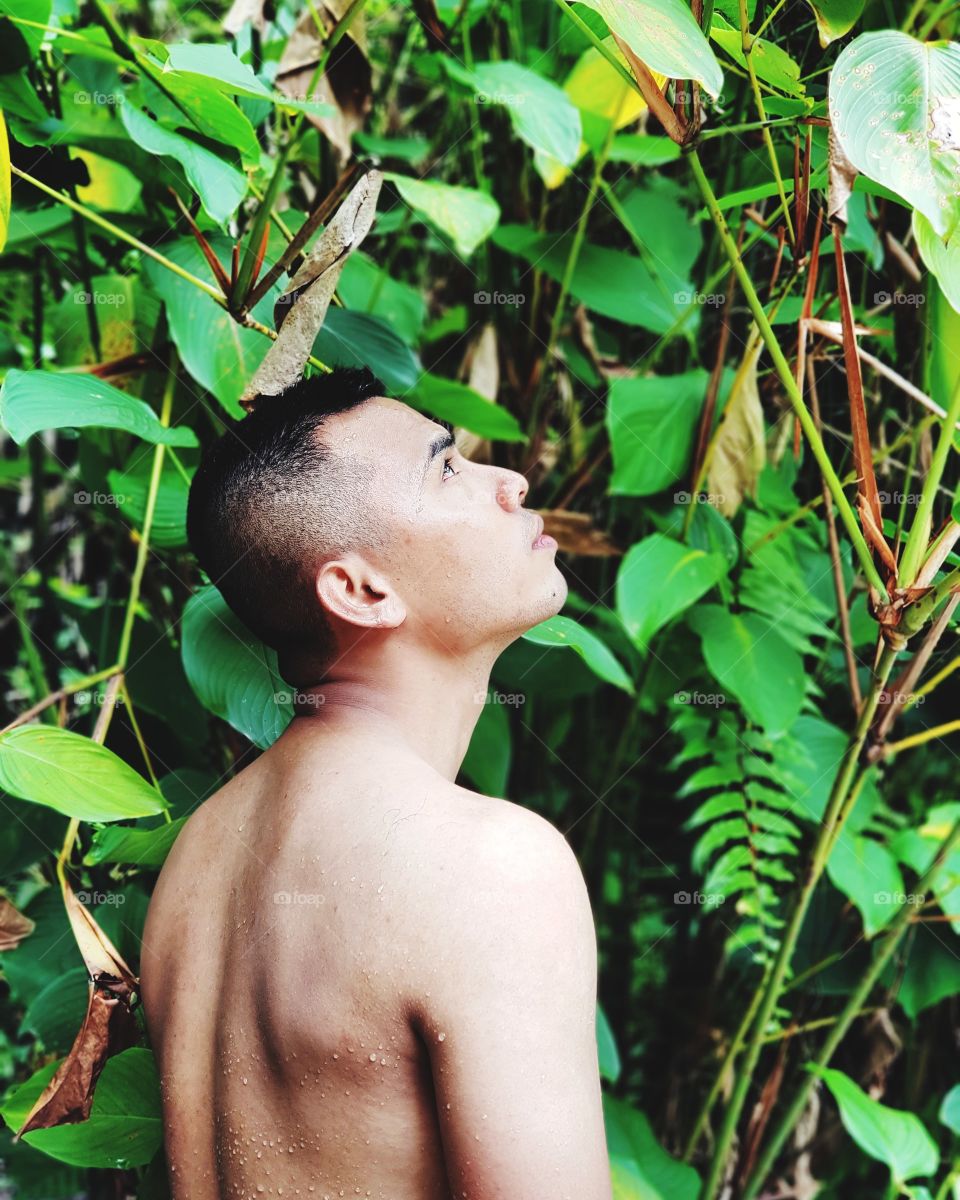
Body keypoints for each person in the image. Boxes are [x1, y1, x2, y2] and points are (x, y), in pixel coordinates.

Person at [139, 367, 612, 1200]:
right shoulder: (490, 868)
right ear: (360, 591)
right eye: (447, 469)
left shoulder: (198, 856)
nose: (511, 483)